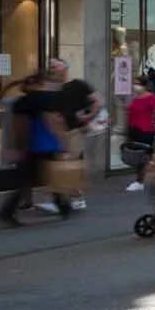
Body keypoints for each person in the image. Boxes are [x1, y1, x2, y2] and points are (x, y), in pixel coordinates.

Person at [0, 74, 70, 224]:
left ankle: (62, 205)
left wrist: (15, 146)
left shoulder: (21, 101)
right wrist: (62, 140)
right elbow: (52, 121)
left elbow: (17, 127)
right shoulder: (44, 99)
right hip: (43, 144)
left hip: (29, 145)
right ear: (41, 83)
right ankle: (63, 205)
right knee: (48, 176)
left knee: (27, 179)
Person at [51, 59, 100, 210]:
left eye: (55, 66)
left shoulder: (77, 85)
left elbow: (97, 102)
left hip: (74, 131)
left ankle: (77, 196)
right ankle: (64, 198)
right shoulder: (54, 89)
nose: (52, 69)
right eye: (50, 67)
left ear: (64, 68)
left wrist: (88, 117)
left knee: (70, 163)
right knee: (61, 164)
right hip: (58, 132)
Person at [124, 80, 155, 192]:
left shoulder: (151, 98)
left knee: (144, 156)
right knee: (138, 156)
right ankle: (143, 179)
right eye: (135, 83)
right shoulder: (136, 98)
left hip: (145, 130)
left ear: (145, 86)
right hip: (134, 130)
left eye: (138, 83)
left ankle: (140, 181)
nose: (135, 86)